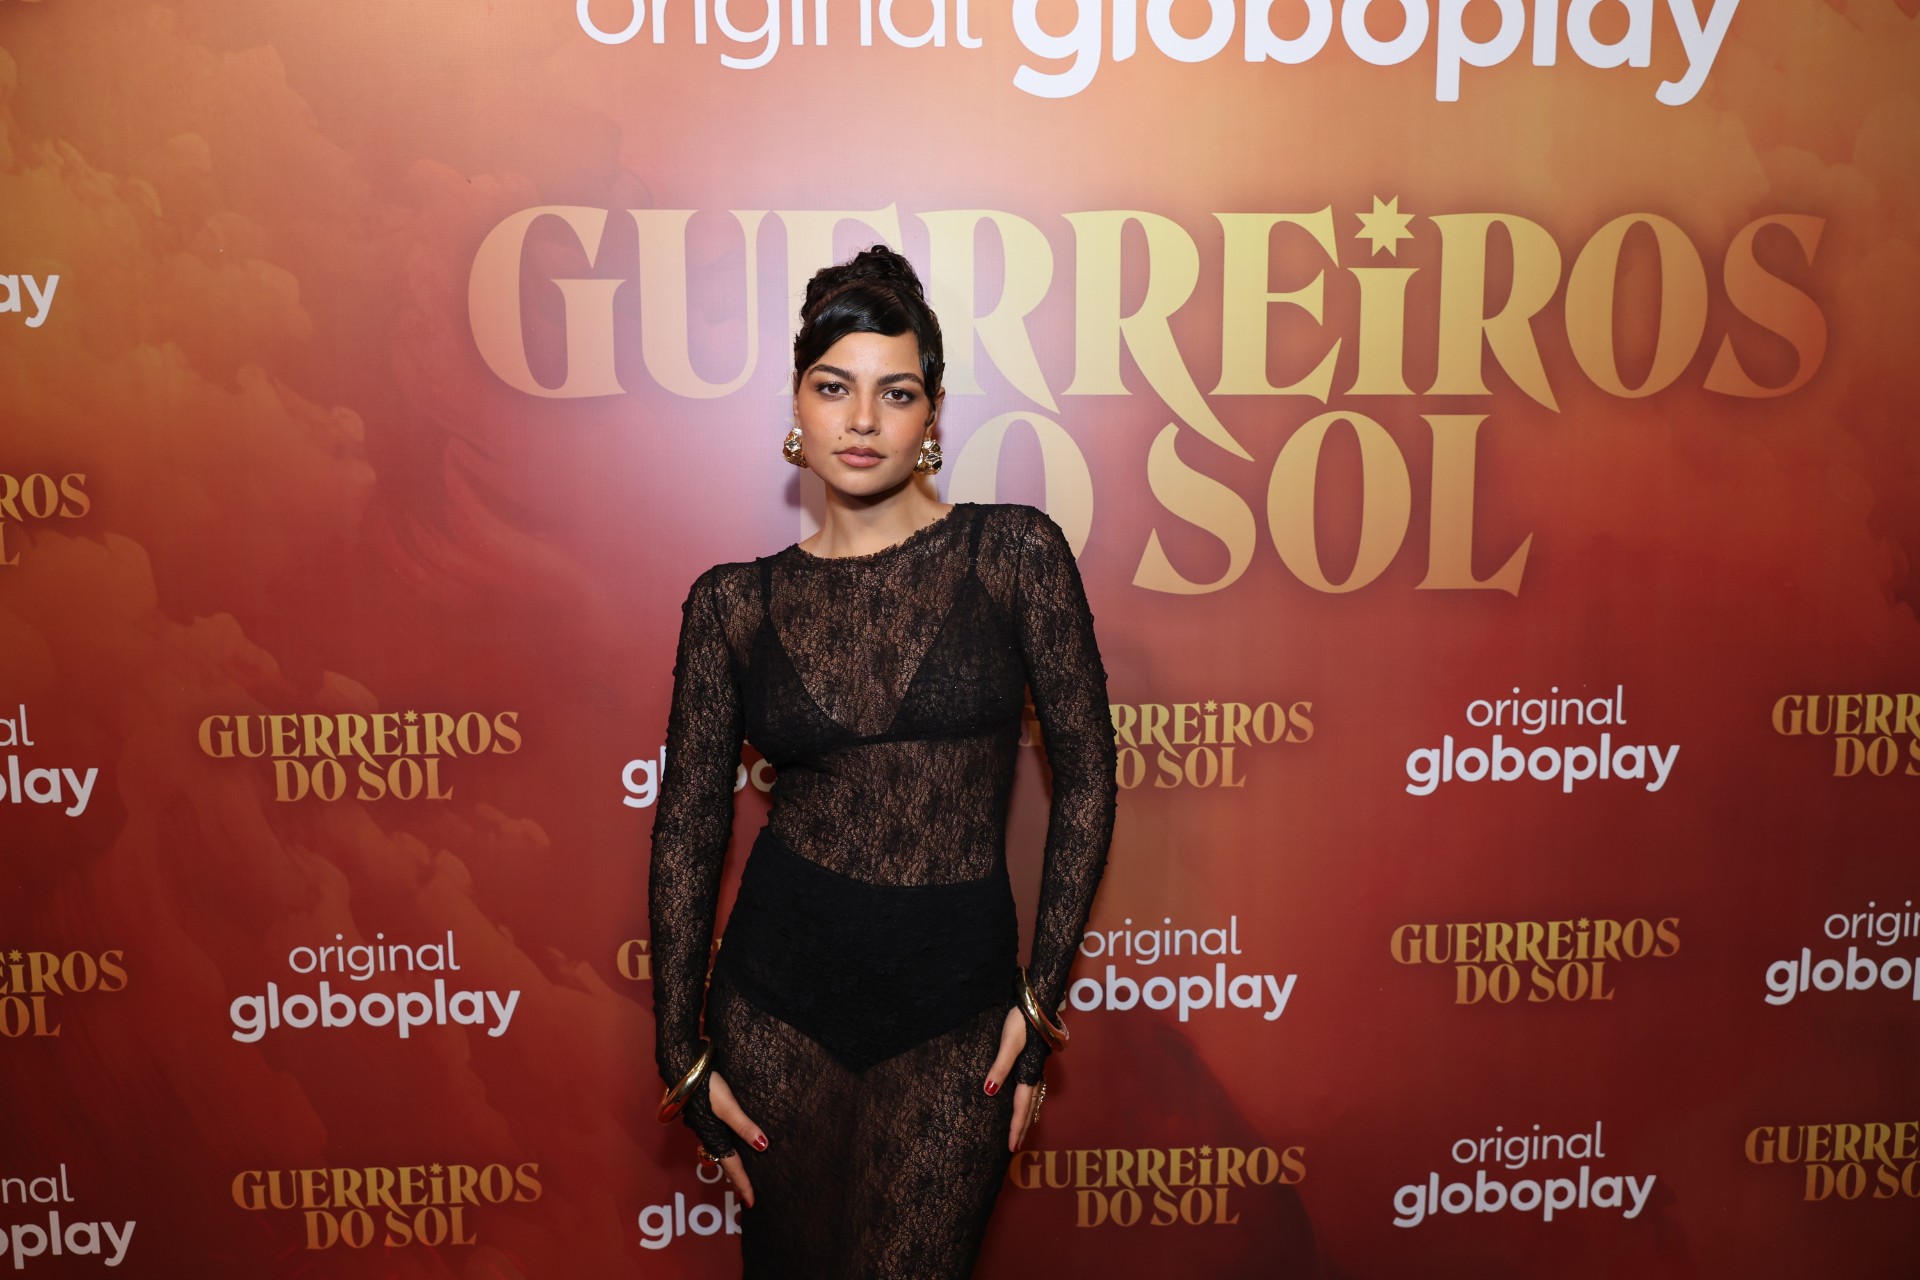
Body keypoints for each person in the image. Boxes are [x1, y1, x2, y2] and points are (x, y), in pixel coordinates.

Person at [648, 245, 1118, 1278]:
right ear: (798, 406)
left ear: (931, 415)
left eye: (894, 392)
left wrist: (1039, 1004)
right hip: (775, 1009)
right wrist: (678, 1047)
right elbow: (688, 826)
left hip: (956, 1016)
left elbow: (1088, 775)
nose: (862, 419)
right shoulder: (731, 604)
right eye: (834, 388)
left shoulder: (1014, 555)